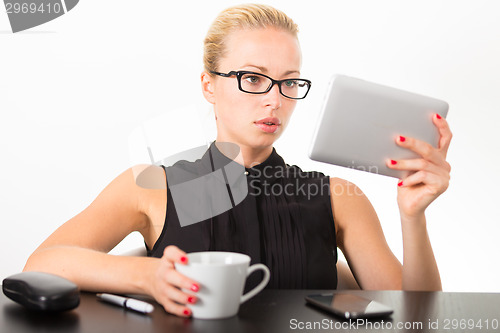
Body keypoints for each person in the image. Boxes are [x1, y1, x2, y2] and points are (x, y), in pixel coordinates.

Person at [23, 4, 452, 318]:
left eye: (289, 83)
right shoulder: (151, 187)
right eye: (252, 78)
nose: (274, 100)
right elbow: (42, 263)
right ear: (210, 86)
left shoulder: (337, 196)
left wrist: (413, 216)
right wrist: (145, 276)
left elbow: (419, 318)